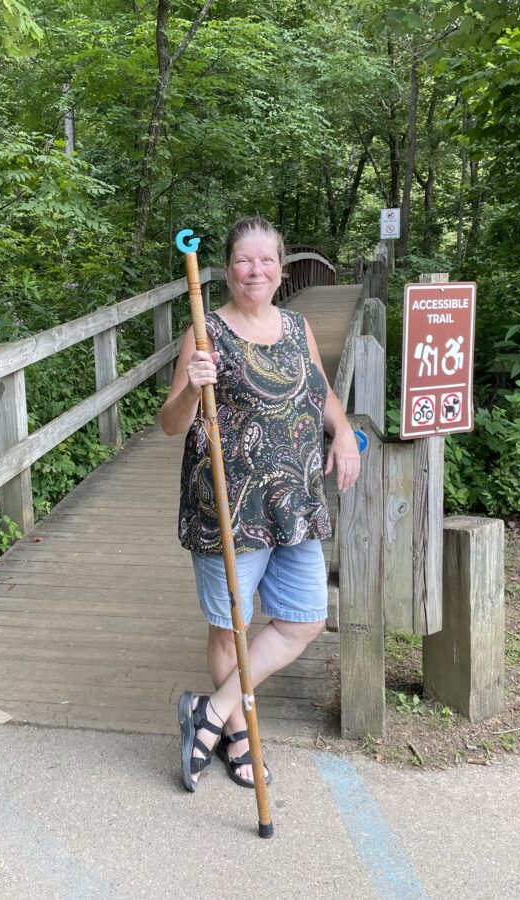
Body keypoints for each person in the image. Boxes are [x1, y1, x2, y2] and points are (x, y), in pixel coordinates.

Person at [159, 215, 361, 792]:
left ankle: (212, 712)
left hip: (294, 503)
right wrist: (196, 388)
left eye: (266, 260)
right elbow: (171, 424)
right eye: (244, 261)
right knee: (230, 630)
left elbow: (320, 392)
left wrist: (343, 432)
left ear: (281, 269)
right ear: (227, 270)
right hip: (228, 505)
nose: (256, 270)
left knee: (304, 619)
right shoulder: (205, 334)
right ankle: (241, 737)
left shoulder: (296, 327)